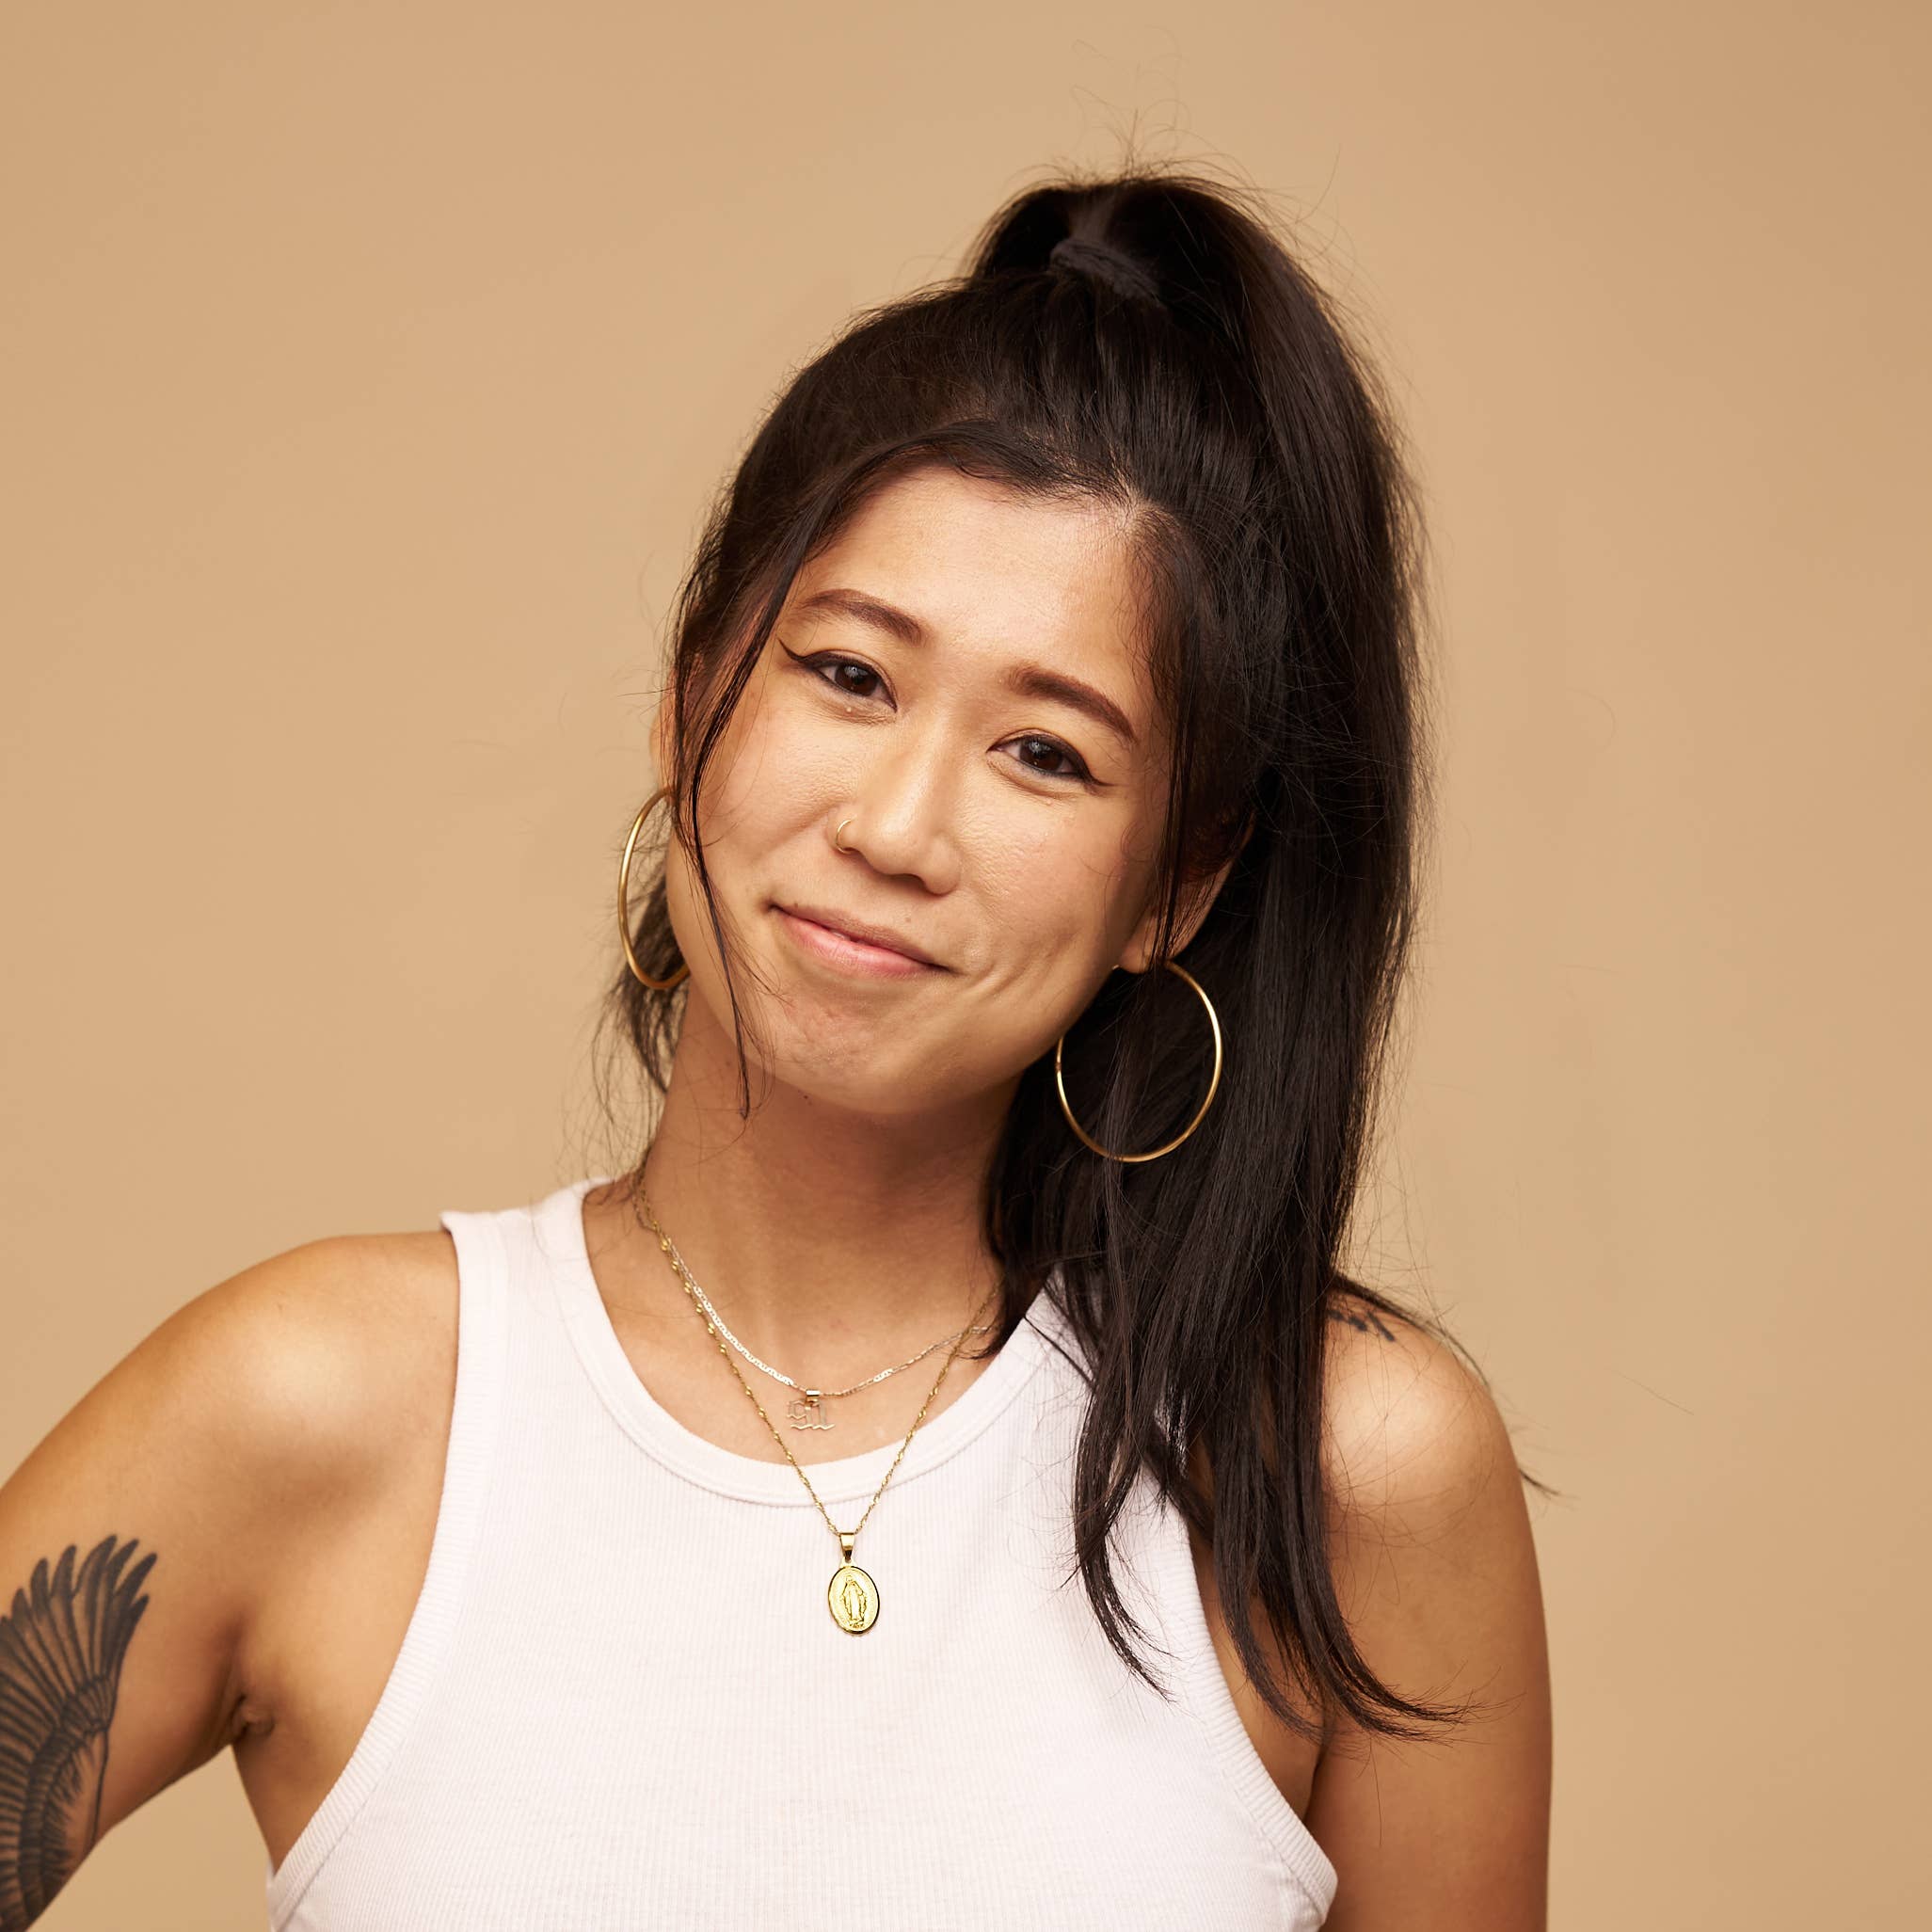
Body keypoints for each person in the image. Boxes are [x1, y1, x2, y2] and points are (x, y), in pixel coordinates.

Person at [0, 160, 1552, 1930]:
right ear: (691, 698)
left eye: (1046, 752)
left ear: (1173, 890)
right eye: (848, 674)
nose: (895, 825)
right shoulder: (320, 1408)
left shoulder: (1338, 1470)